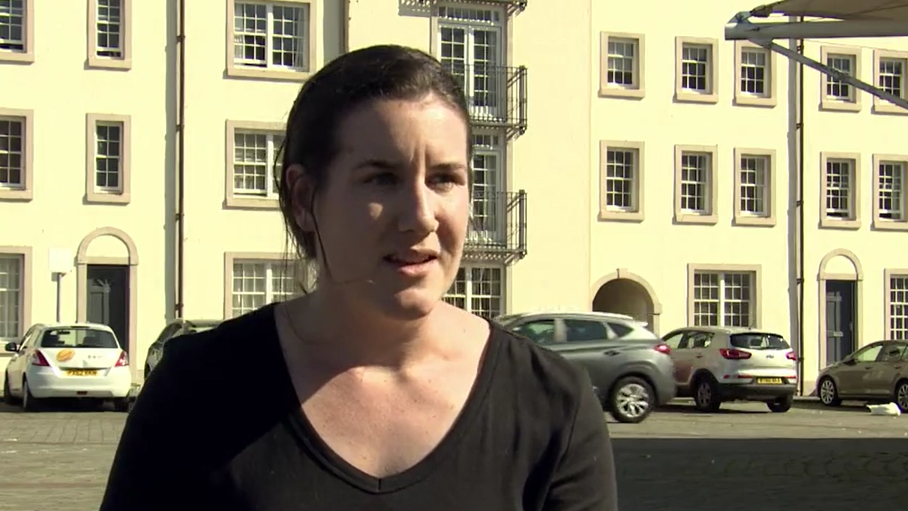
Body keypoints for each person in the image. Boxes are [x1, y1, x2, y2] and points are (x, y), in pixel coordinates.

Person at [99, 44, 618, 511]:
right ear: (304, 199)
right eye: (381, 179)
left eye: (444, 179)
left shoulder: (551, 404)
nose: (420, 215)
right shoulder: (198, 393)